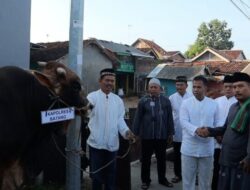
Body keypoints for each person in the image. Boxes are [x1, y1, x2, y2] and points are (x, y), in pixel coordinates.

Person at [197, 72, 250, 190]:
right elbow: (226, 128)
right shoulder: (234, 107)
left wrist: (249, 158)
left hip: (242, 162)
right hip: (227, 157)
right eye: (235, 87)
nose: (236, 90)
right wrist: (209, 131)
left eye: (241, 86)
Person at [87, 68, 135, 190]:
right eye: (107, 80)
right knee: (96, 176)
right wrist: (86, 108)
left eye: (112, 81)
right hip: (96, 145)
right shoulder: (92, 97)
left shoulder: (118, 100)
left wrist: (126, 132)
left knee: (111, 175)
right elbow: (87, 111)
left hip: (112, 145)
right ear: (100, 81)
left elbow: (120, 121)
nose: (109, 83)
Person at [179, 75, 222, 190]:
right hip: (189, 148)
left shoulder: (213, 104)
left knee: (206, 181)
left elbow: (218, 122)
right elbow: (183, 121)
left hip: (207, 149)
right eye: (194, 87)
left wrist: (210, 131)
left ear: (205, 88)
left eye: (199, 87)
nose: (196, 90)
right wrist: (196, 130)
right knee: (188, 181)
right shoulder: (186, 103)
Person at [132, 78, 174, 189]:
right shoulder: (143, 101)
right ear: (148, 88)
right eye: (151, 87)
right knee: (145, 160)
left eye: (155, 87)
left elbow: (170, 118)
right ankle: (145, 181)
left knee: (161, 159)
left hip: (162, 136)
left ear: (160, 88)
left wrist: (170, 133)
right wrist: (135, 134)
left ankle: (162, 179)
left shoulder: (166, 101)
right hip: (147, 136)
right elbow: (137, 118)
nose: (153, 89)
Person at [212, 75, 237, 190]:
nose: (228, 89)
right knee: (216, 168)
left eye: (231, 87)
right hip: (216, 141)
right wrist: (216, 135)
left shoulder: (239, 103)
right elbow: (211, 119)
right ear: (223, 87)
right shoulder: (216, 101)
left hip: (231, 142)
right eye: (226, 86)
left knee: (229, 170)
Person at [169, 76, 192, 183]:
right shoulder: (171, 98)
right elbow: (169, 116)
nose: (179, 87)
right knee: (177, 155)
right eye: (177, 85)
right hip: (177, 130)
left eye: (181, 85)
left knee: (190, 155)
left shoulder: (192, 97)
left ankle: (192, 175)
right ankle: (178, 175)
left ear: (186, 86)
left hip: (190, 132)